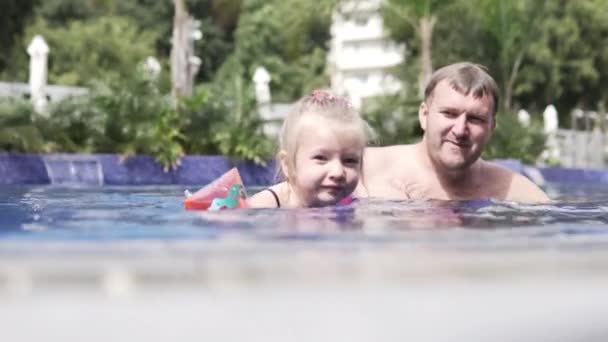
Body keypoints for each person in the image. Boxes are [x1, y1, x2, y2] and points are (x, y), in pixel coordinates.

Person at [357, 62, 550, 203]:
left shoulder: (515, 192)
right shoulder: (364, 167)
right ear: (424, 116)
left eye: (475, 119)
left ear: (491, 127)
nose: (460, 130)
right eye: (449, 114)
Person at [247, 89, 373, 208]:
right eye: (321, 158)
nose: (338, 172)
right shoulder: (266, 203)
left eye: (350, 161)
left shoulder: (351, 202)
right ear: (288, 164)